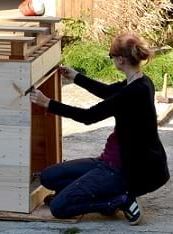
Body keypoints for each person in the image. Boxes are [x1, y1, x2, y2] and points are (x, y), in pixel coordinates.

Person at [30, 32, 170, 225]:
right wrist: (77, 77)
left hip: (121, 170)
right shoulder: (140, 82)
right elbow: (108, 92)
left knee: (58, 208)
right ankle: (95, 194)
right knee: (48, 177)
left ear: (120, 60)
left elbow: (89, 116)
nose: (111, 59)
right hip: (106, 162)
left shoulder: (134, 92)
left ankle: (119, 199)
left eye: (111, 56)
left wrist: (49, 104)